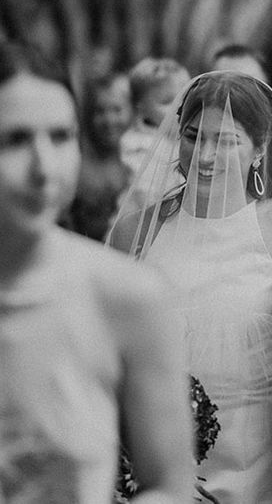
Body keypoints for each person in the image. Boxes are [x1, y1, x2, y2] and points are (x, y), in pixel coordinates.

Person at [108, 71, 272, 504]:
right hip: (163, 459)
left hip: (263, 458)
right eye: (193, 136)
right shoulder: (135, 233)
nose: (204, 155)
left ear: (260, 149)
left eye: (225, 141)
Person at [0, 41, 191, 502]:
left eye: (62, 137)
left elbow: (169, 485)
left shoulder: (130, 298)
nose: (45, 168)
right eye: (15, 140)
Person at [69, 72, 133, 240]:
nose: (109, 120)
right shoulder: (76, 158)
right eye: (100, 111)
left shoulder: (142, 156)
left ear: (131, 111)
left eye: (117, 109)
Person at [120, 57, 190, 181]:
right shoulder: (137, 147)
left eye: (185, 97)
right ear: (141, 108)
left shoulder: (191, 136)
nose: (180, 107)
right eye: (167, 102)